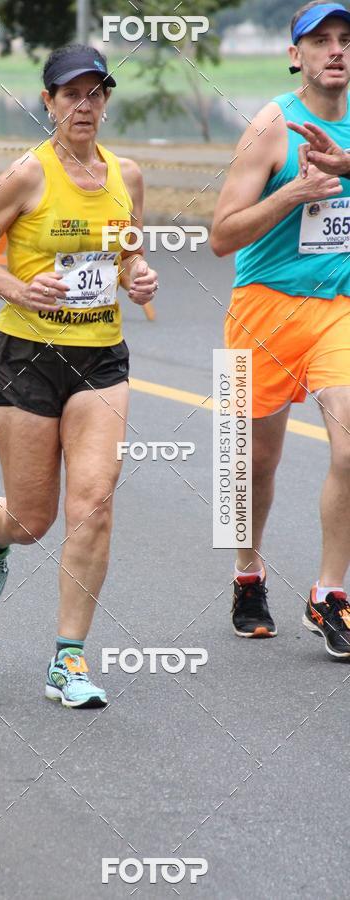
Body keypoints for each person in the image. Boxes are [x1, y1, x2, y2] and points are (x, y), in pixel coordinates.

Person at [0, 45, 158, 707]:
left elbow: (127, 254)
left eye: (97, 92)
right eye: (71, 93)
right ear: (48, 102)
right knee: (36, 519)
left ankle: (68, 659)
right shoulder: (28, 174)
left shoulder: (128, 173)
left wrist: (139, 276)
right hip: (25, 359)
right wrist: (17, 287)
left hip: (100, 360)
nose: (85, 105)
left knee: (94, 502)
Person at [210, 1, 350, 657]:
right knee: (257, 464)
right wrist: (291, 194)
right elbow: (220, 236)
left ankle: (329, 595)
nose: (336, 50)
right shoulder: (270, 125)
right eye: (320, 40)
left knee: (349, 447)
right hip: (264, 306)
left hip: (339, 308)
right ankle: (247, 572)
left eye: (346, 39)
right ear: (295, 55)